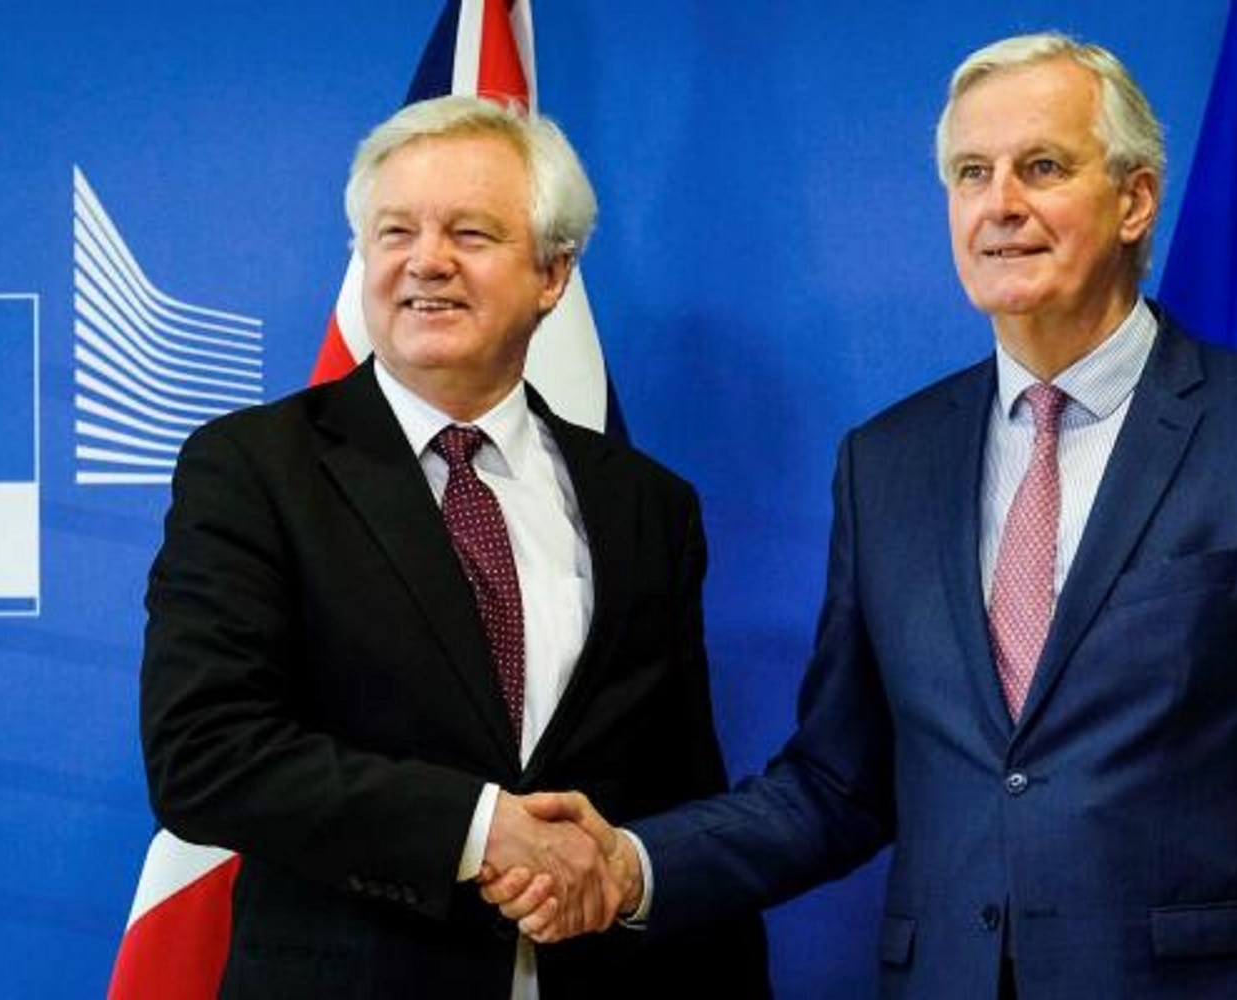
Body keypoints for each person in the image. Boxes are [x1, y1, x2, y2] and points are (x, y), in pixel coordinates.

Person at [483, 33, 1237, 999]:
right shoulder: (886, 463)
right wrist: (636, 864)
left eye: (1042, 167)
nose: (1000, 204)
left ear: (1134, 200)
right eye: (971, 173)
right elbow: (836, 783)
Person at [139, 94, 769, 999]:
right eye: (394, 232)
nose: (424, 261)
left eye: (470, 234)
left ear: (552, 273)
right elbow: (203, 754)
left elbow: (678, 790)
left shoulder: (646, 505)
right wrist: (478, 829)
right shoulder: (253, 469)